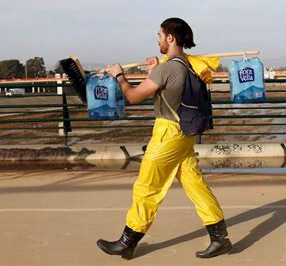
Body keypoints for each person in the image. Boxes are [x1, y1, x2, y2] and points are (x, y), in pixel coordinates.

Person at [97, 17, 232, 259]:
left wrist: (119, 76)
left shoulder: (168, 68)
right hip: (184, 133)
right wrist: (153, 71)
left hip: (168, 134)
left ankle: (128, 242)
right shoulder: (186, 64)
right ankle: (220, 239)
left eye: (159, 36)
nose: (157, 40)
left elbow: (134, 96)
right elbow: (166, 96)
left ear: (170, 37)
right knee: (195, 185)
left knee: (147, 187)